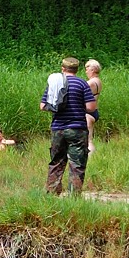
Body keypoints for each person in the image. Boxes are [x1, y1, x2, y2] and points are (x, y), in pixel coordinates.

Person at [40, 57, 96, 195]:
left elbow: (42, 106)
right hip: (77, 129)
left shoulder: (55, 84)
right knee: (77, 164)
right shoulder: (82, 83)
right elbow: (91, 106)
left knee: (56, 162)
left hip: (58, 128)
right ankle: (74, 196)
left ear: (63, 69)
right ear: (76, 69)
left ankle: (52, 193)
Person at [85, 59, 103, 153]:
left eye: (87, 68)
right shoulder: (98, 81)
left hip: (88, 113)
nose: (86, 71)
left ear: (92, 69)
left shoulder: (91, 83)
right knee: (89, 139)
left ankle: (90, 159)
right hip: (93, 112)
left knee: (88, 140)